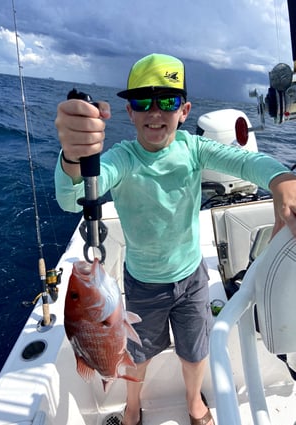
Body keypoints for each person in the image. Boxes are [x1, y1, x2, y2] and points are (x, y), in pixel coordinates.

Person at [54, 53, 296, 425]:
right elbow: (74, 198)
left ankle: (194, 403)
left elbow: (246, 163)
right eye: (142, 102)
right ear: (129, 112)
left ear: (184, 111)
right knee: (138, 352)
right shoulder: (122, 158)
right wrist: (73, 158)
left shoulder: (194, 149)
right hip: (143, 284)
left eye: (166, 101)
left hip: (192, 278)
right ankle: (133, 408)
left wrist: (282, 179)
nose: (155, 112)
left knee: (195, 350)